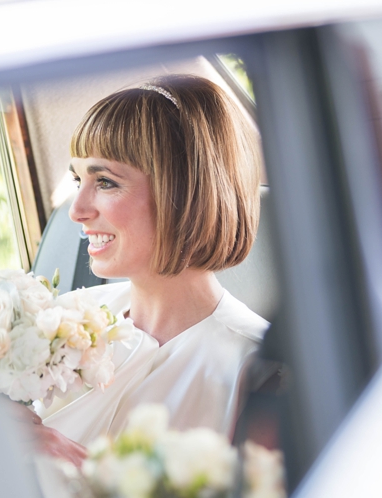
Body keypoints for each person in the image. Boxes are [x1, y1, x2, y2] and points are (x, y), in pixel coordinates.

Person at [32, 74, 268, 453]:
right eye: (78, 180)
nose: (76, 211)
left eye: (105, 181)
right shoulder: (72, 316)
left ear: (184, 193)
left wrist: (78, 468)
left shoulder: (254, 368)